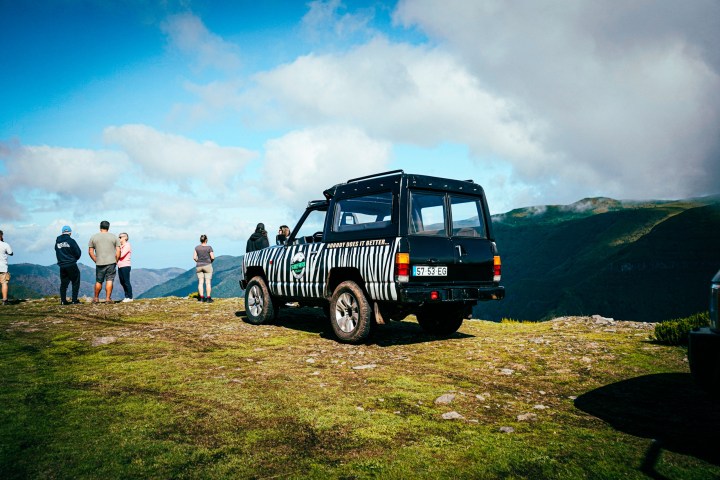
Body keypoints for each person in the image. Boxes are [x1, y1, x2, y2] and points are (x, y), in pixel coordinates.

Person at [88, 220, 120, 303]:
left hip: (99, 262)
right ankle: (108, 298)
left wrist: (95, 259)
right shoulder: (114, 237)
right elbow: (118, 251)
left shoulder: (94, 237)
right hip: (111, 262)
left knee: (99, 281)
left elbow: (90, 252)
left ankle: (96, 298)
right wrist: (116, 260)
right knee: (109, 280)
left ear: (100, 227)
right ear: (108, 227)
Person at [55, 225, 82, 305]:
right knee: (75, 281)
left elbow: (56, 250)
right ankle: (74, 300)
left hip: (62, 265)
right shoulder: (71, 241)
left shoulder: (58, 241)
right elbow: (78, 252)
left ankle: (63, 301)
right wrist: (74, 259)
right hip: (71, 264)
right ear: (70, 233)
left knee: (64, 283)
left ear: (62, 232)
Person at [193, 234, 215, 303]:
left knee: (200, 282)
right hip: (207, 265)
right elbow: (212, 257)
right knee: (208, 282)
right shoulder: (209, 248)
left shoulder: (197, 248)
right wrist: (210, 262)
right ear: (206, 240)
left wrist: (198, 261)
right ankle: (208, 298)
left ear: (200, 240)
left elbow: (194, 257)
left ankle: (201, 298)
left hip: (199, 266)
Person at [118, 232, 133, 302]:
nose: (119, 238)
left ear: (125, 238)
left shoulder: (127, 245)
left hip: (125, 266)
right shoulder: (120, 246)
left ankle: (130, 297)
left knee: (126, 281)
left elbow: (121, 255)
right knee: (122, 281)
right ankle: (126, 296)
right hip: (120, 266)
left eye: (120, 237)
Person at [0, 230, 13, 305]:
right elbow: (11, 253)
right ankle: (4, 300)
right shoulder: (5, 244)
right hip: (2, 267)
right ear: (1, 236)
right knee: (4, 283)